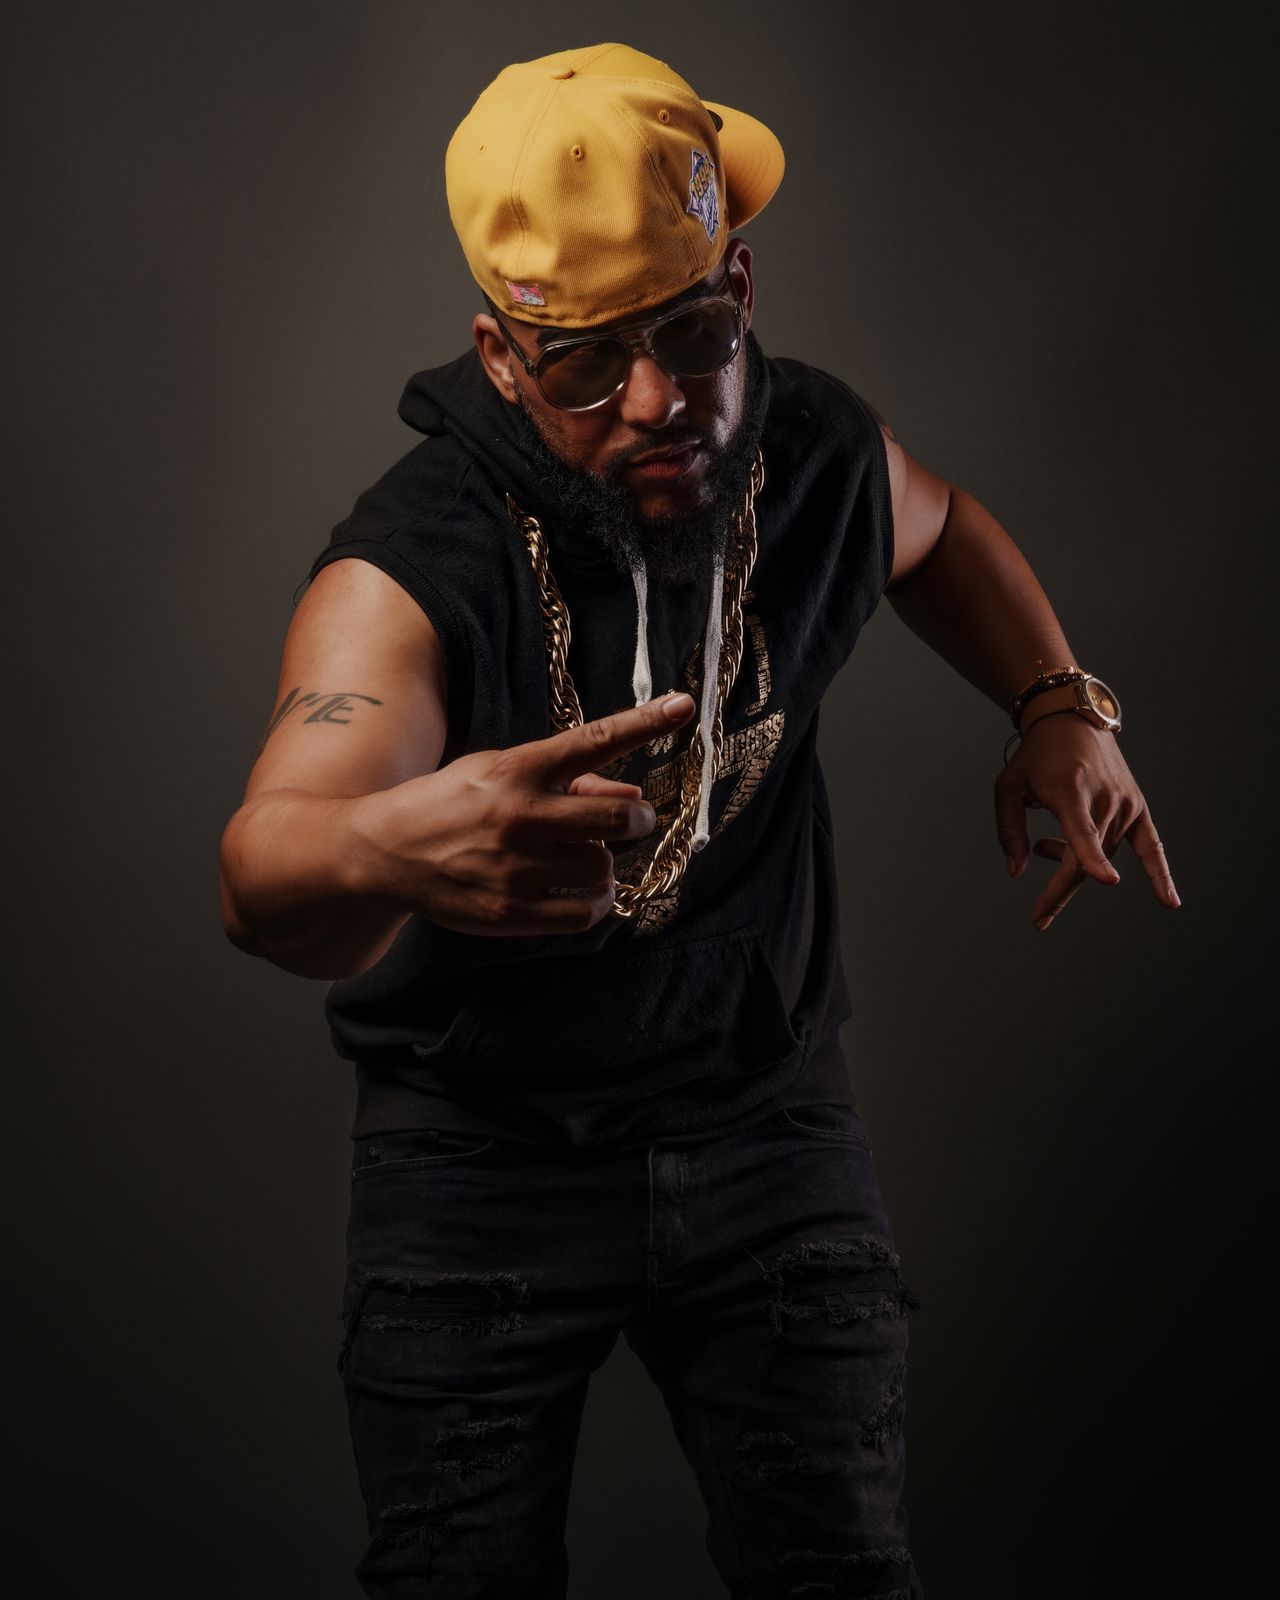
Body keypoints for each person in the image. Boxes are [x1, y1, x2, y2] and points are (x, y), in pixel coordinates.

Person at [219, 41, 1180, 1599]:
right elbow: (262, 867)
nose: (662, 399)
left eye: (693, 332)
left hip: (763, 1120)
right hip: (480, 1157)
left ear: (742, 284)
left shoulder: (807, 448)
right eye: (589, 364)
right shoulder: (407, 569)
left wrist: (1059, 702)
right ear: (502, 358)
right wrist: (382, 845)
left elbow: (936, 527)